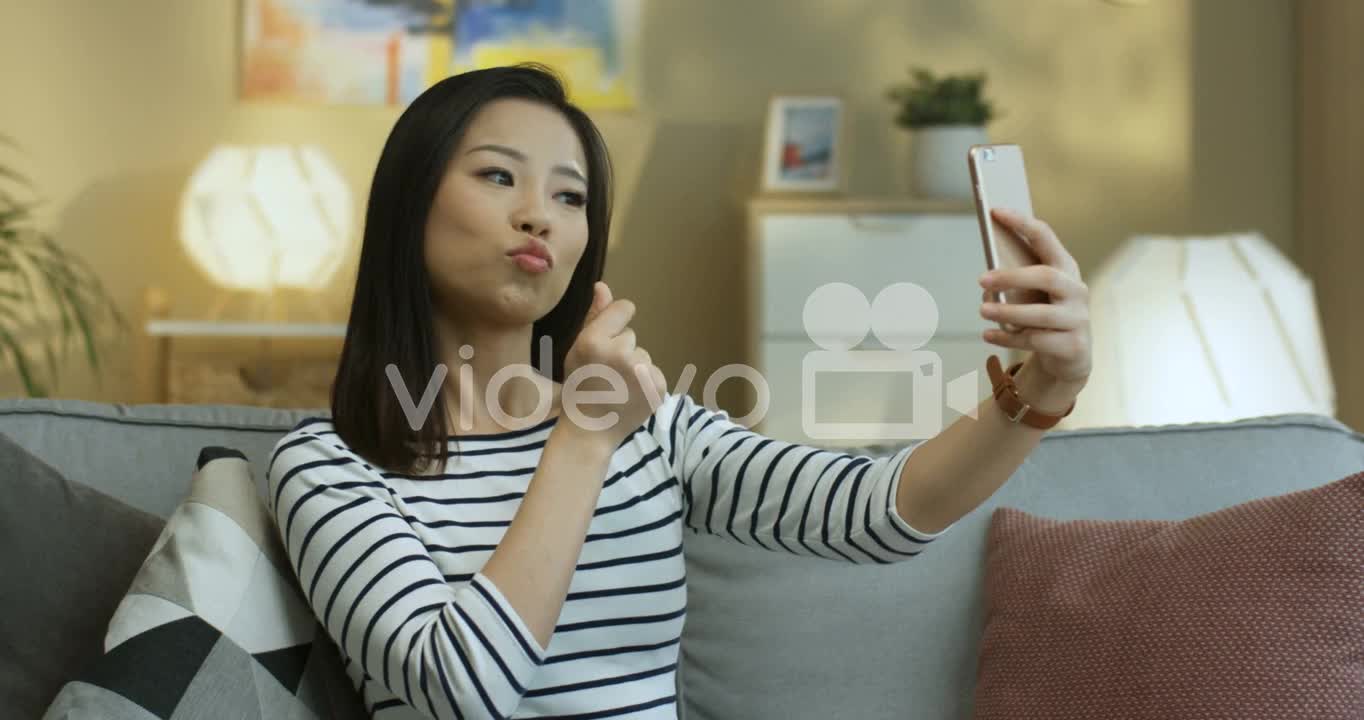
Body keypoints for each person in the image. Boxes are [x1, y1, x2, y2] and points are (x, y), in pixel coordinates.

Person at [266, 64, 1092, 720]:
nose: (539, 217)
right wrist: (583, 439)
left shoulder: (652, 428)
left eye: (570, 196)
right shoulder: (329, 467)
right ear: (411, 205)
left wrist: (1041, 390)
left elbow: (874, 513)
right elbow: (459, 690)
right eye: (497, 176)